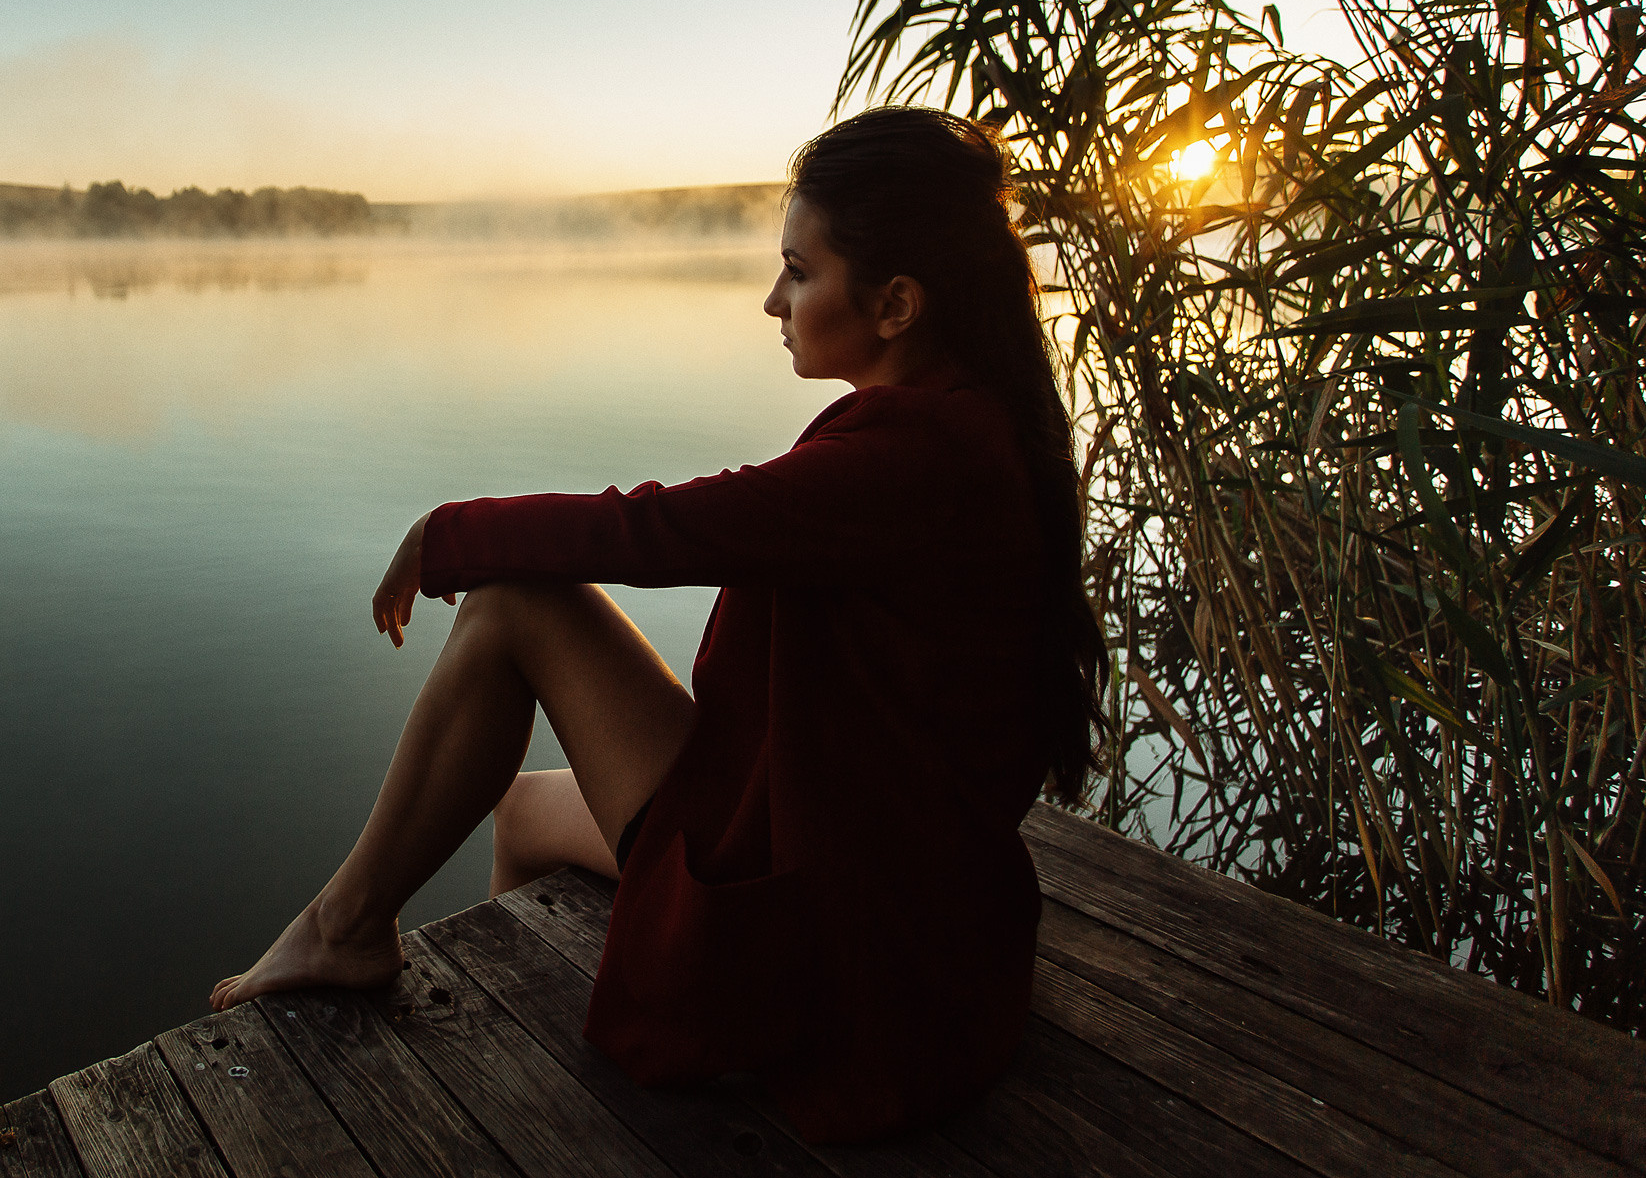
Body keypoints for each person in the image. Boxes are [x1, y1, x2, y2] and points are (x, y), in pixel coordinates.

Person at [208, 107, 1109, 1143]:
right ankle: (544, 983)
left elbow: (658, 530)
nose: (770, 299)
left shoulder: (907, 456)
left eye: (797, 271)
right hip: (886, 884)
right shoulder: (971, 419)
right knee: (516, 813)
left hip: (841, 944)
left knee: (510, 602)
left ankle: (352, 930)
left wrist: (446, 532)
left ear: (896, 302)